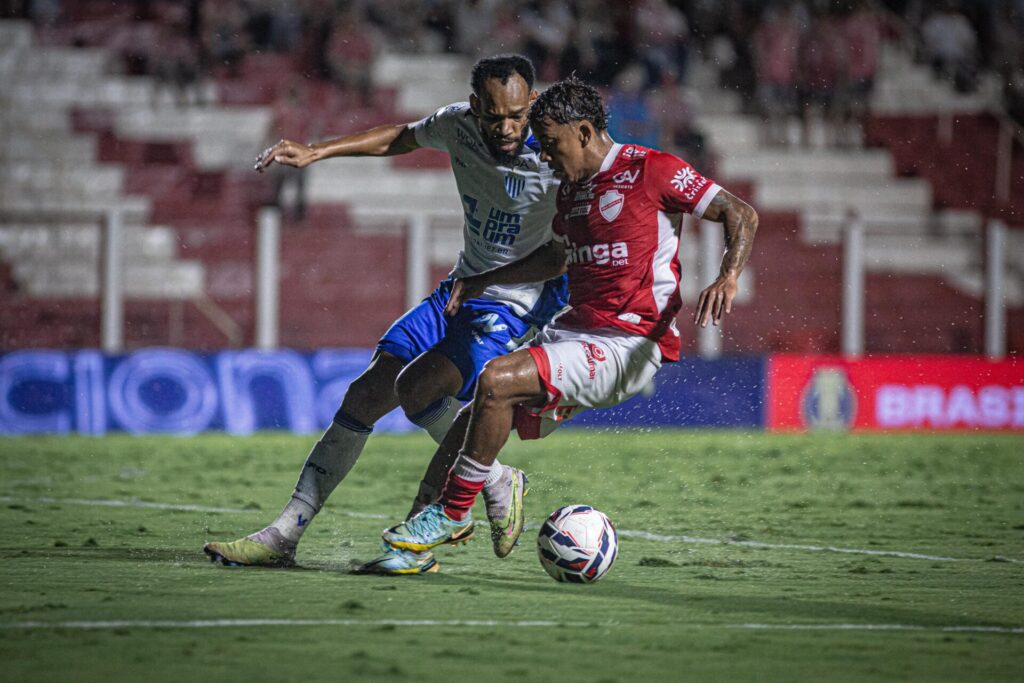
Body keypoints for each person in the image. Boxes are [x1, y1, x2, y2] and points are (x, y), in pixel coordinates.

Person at [203, 55, 567, 575]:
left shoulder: (556, 158)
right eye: (493, 116)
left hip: (513, 306)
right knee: (367, 391)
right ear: (474, 107)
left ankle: (423, 537)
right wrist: (316, 152)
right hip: (460, 289)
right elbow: (400, 137)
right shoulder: (457, 126)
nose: (505, 128)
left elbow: (563, 251)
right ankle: (285, 534)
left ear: (532, 104)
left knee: (420, 389)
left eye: (516, 115)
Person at [378, 77, 759, 561]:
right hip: (575, 331)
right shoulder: (572, 192)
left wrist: (727, 277)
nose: (544, 157)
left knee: (496, 379)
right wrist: (482, 280)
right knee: (479, 410)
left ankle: (453, 514)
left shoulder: (653, 169)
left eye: (551, 143)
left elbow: (740, 214)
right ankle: (419, 539)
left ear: (582, 132)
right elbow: (555, 259)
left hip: (630, 341)